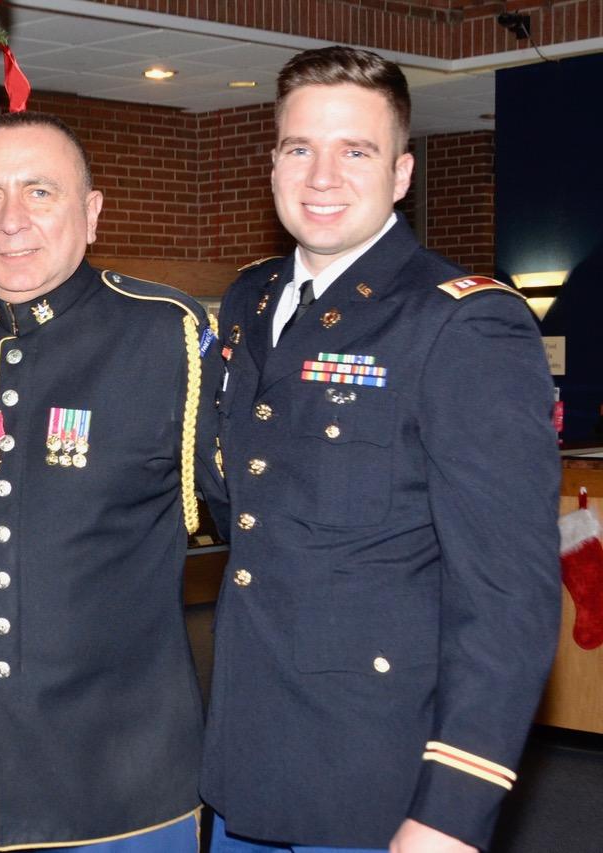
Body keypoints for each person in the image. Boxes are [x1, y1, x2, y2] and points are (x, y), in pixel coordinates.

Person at [201, 45, 561, 853]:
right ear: (273, 165)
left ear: (400, 174)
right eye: (301, 148)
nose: (321, 175)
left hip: (383, 780)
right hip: (247, 760)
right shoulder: (250, 300)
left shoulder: (461, 323)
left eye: (354, 150)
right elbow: (244, 506)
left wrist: (452, 809)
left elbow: (508, 592)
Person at [0, 111, 227, 852]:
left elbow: (265, 534)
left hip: (119, 781)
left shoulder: (164, 337)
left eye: (40, 193)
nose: (12, 221)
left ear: (92, 212)